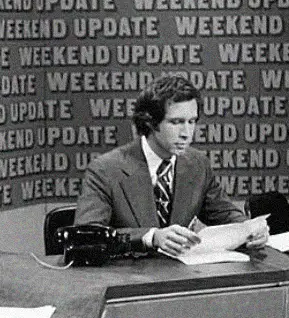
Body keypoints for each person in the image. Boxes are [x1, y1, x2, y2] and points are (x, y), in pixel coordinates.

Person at [75, 74, 268, 257]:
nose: (186, 133)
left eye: (192, 122)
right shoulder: (105, 170)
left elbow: (225, 213)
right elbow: (86, 237)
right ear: (150, 122)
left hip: (181, 278)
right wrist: (151, 238)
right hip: (128, 278)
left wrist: (250, 230)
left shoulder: (198, 164)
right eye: (176, 122)